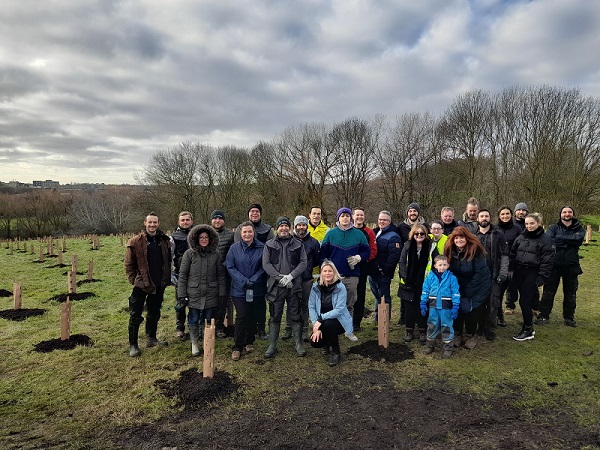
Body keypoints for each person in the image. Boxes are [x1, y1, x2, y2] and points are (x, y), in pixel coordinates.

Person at [124, 213, 171, 357]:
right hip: (141, 284)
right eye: (150, 222)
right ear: (145, 223)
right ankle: (133, 344)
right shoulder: (135, 242)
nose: (152, 225)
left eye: (155, 222)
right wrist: (134, 280)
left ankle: (151, 338)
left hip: (158, 284)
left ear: (158, 223)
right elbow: (129, 264)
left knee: (154, 312)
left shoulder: (164, 240)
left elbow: (167, 261)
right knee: (135, 314)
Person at [177, 225, 227, 357]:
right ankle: (194, 343)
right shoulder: (189, 254)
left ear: (211, 239)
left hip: (211, 292)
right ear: (196, 239)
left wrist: (222, 292)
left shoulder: (216, 254)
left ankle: (207, 342)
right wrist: (182, 294)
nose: (204, 240)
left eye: (206, 237)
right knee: (193, 318)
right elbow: (183, 275)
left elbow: (220, 275)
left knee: (208, 318)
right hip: (193, 293)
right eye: (201, 237)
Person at [262, 216, 308, 358]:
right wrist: (280, 278)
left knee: (296, 314)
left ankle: (298, 343)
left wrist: (291, 276)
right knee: (275, 315)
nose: (283, 228)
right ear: (277, 228)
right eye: (281, 226)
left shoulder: (298, 244)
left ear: (290, 228)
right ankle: (272, 344)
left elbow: (303, 262)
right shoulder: (269, 245)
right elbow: (266, 264)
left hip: (294, 286)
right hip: (276, 287)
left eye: (286, 226)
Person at [320, 207, 370, 331]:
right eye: (342, 216)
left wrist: (358, 258)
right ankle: (332, 328)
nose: (345, 218)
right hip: (334, 276)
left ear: (351, 217)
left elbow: (367, 251)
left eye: (347, 215)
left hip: (352, 275)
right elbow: (323, 254)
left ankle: (347, 327)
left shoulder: (358, 234)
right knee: (332, 303)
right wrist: (328, 266)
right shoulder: (331, 234)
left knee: (350, 302)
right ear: (338, 218)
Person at [225, 221, 267, 361]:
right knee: (242, 315)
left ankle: (249, 341)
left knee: (253, 315)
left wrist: (254, 279)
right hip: (239, 289)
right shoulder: (234, 248)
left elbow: (264, 266)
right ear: (240, 233)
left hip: (257, 288)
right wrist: (243, 281)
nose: (247, 234)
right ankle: (237, 346)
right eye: (245, 232)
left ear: (254, 233)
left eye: (250, 232)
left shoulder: (262, 247)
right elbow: (230, 266)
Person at [509, 213, 555, 341]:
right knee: (521, 300)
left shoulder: (546, 240)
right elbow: (513, 254)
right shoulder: (521, 237)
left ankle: (528, 329)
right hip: (519, 271)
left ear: (538, 223)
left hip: (533, 272)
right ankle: (526, 325)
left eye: (532, 223)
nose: (529, 226)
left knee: (525, 301)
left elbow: (548, 261)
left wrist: (542, 277)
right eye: (527, 223)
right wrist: (511, 269)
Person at [444, 226, 491, 349]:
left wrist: (466, 291)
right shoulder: (450, 249)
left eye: (462, 237)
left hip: (477, 285)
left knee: (471, 310)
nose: (459, 240)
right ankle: (457, 334)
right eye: (456, 238)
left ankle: (471, 335)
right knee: (456, 308)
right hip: (458, 285)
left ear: (467, 238)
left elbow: (479, 274)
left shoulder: (476, 250)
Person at [537, 206, 584, 327]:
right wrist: (570, 241)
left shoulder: (579, 228)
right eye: (564, 212)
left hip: (571, 265)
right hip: (554, 265)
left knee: (570, 293)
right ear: (560, 214)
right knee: (548, 292)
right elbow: (550, 240)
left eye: (569, 212)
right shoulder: (553, 227)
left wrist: (560, 239)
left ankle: (569, 317)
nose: (567, 214)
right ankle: (543, 315)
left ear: (573, 214)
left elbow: (578, 240)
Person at [234, 203, 274, 339]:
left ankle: (261, 328)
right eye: (252, 211)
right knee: (244, 306)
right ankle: (246, 329)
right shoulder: (240, 228)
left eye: (257, 211)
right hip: (243, 271)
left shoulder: (267, 229)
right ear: (248, 213)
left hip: (261, 271)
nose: (254, 214)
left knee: (260, 303)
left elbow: (270, 248)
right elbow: (238, 249)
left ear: (260, 214)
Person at [308, 261, 355, 367]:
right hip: (322, 321)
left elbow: (339, 309)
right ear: (321, 273)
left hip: (340, 321)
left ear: (334, 272)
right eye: (325, 271)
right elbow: (311, 306)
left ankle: (336, 352)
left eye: (330, 271)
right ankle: (327, 342)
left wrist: (321, 319)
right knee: (315, 342)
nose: (327, 273)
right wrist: (317, 326)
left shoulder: (340, 287)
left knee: (329, 324)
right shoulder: (315, 287)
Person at [282, 215, 320, 342]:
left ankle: (304, 329)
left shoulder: (313, 242)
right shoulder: (288, 240)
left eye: (303, 225)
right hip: (290, 279)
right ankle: (289, 328)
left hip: (306, 279)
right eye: (299, 225)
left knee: (305, 305)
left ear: (306, 226)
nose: (301, 227)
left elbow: (316, 260)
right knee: (291, 304)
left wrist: (307, 268)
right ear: (295, 226)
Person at [398, 223, 437, 343]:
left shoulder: (431, 246)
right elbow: (402, 262)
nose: (419, 235)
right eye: (417, 233)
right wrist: (405, 277)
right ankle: (409, 331)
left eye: (422, 233)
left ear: (426, 234)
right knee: (409, 308)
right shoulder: (408, 245)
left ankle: (422, 331)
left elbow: (435, 263)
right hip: (408, 282)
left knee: (423, 307)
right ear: (412, 234)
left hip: (425, 283)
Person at [474, 209, 509, 340]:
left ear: (490, 218)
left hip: (494, 275)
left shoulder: (498, 234)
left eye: (486, 216)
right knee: (479, 302)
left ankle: (490, 329)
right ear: (477, 218)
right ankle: (480, 326)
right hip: (478, 276)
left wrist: (503, 272)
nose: (484, 218)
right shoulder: (473, 234)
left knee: (493, 303)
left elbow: (505, 255)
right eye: (482, 216)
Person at [420, 255, 460, 358]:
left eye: (444, 265)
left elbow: (455, 292)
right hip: (433, 307)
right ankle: (430, 345)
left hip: (446, 308)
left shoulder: (452, 278)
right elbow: (425, 290)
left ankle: (448, 348)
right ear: (435, 266)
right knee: (432, 325)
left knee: (447, 326)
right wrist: (423, 303)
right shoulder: (430, 277)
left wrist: (455, 306)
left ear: (448, 265)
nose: (442, 267)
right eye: (440, 265)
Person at [369, 210, 401, 324]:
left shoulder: (393, 236)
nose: (382, 222)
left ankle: (384, 322)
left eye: (385, 220)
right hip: (373, 272)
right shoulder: (375, 232)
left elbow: (394, 256)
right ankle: (378, 319)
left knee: (384, 297)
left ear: (390, 221)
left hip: (383, 273)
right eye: (380, 219)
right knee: (377, 296)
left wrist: (385, 270)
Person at [352, 207, 377, 332]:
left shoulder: (369, 232)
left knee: (360, 295)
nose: (359, 217)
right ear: (353, 216)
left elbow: (373, 249)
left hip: (362, 266)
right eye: (357, 215)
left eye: (361, 215)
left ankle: (356, 322)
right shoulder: (347, 230)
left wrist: (363, 259)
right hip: (347, 267)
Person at [210, 209, 235, 338]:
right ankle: (208, 327)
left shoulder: (230, 235)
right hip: (208, 274)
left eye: (220, 218)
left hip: (224, 275)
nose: (217, 220)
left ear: (223, 220)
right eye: (215, 218)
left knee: (222, 301)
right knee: (209, 302)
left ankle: (220, 327)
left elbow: (233, 254)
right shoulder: (206, 233)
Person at [495, 205, 522, 324]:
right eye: (502, 214)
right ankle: (498, 315)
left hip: (512, 265)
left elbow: (520, 246)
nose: (505, 216)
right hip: (498, 265)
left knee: (511, 289)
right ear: (499, 216)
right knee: (498, 292)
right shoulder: (494, 229)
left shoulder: (517, 229)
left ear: (511, 215)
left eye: (507, 214)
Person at [170, 211, 193, 339]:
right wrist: (171, 273)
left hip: (195, 274)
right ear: (179, 222)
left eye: (187, 220)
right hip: (180, 274)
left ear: (191, 221)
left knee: (193, 303)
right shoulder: (174, 237)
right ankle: (179, 328)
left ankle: (192, 326)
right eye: (183, 220)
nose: (185, 222)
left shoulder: (196, 234)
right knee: (180, 302)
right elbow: (170, 256)